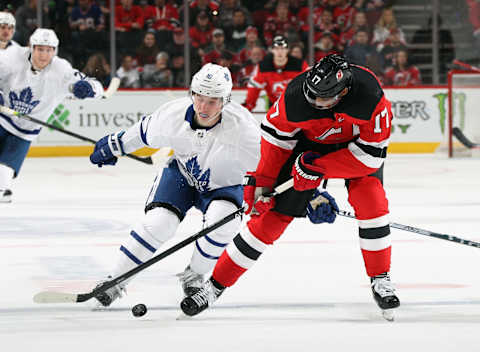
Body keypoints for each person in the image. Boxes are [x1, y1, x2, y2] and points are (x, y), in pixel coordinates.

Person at [180, 54, 401, 321]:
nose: (314, 102)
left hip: (355, 153)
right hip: (305, 148)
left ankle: (380, 277)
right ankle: (214, 287)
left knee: (372, 203)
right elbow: (274, 143)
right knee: (269, 219)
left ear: (342, 93)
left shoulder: (371, 99)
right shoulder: (295, 96)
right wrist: (260, 182)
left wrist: (319, 168)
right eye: (312, 95)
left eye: (322, 99)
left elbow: (369, 158)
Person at [88, 63, 261, 306]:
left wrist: (304, 189)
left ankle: (195, 275)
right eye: (199, 98)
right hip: (181, 175)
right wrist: (114, 146)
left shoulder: (243, 128)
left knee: (222, 223)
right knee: (159, 223)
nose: (203, 107)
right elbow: (141, 134)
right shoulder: (173, 114)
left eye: (212, 101)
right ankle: (115, 280)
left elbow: (272, 160)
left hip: (225, 185)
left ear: (225, 101)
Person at [0, 28, 105, 202]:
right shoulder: (12, 57)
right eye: (40, 49)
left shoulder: (61, 69)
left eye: (49, 50)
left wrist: (89, 89)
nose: (44, 55)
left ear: (55, 51)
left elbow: (96, 86)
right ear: (31, 47)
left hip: (26, 130)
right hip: (3, 118)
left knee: (5, 170)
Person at [242, 35, 308, 112]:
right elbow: (254, 89)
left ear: (287, 50)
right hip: (275, 107)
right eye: (277, 49)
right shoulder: (263, 67)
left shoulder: (300, 65)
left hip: (297, 107)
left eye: (283, 48)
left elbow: (309, 86)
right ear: (272, 50)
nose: (280, 52)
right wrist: (247, 108)